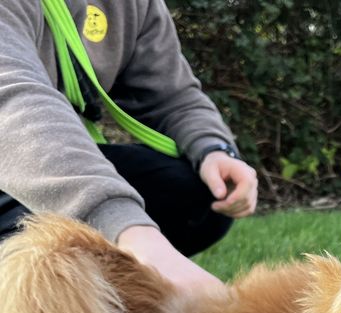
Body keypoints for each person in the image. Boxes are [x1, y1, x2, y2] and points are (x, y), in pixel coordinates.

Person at [0, 1, 258, 292]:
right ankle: (32, 291)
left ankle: (107, 293)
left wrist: (214, 150)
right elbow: (14, 103)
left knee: (198, 193)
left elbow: (173, 95)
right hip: (12, 166)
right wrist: (133, 233)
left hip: (54, 168)